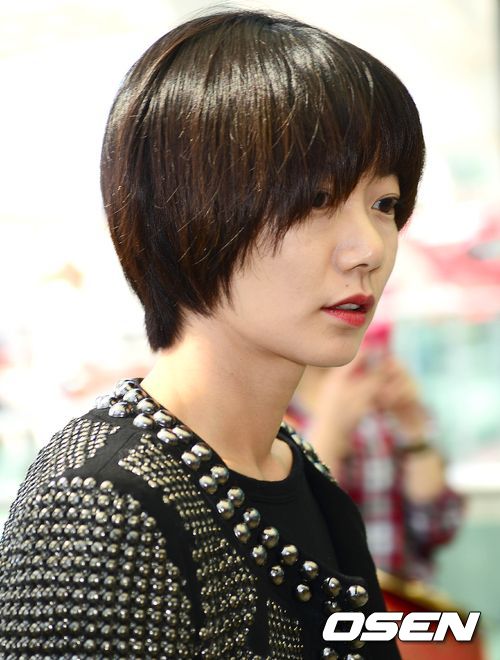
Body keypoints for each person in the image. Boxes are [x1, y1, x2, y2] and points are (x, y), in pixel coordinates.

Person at [0, 10, 425, 659]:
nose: (368, 248)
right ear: (190, 212)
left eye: (384, 204)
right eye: (317, 200)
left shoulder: (293, 466)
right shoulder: (100, 504)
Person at [289, 329, 464, 582]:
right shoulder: (276, 421)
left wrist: (413, 427)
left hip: (400, 600)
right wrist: (330, 430)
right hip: (323, 597)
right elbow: (297, 530)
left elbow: (438, 529)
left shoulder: (389, 408)